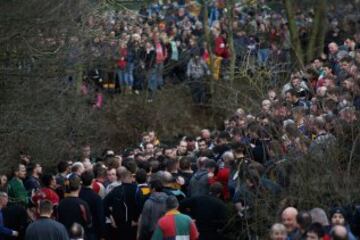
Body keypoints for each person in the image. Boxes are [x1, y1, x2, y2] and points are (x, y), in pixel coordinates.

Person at [103, 167, 139, 240]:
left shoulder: (115, 190)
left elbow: (104, 204)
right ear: (131, 177)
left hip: (118, 225)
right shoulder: (137, 190)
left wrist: (111, 217)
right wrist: (137, 220)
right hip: (133, 224)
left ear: (121, 179)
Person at [79, 171, 105, 240]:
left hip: (79, 229)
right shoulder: (96, 197)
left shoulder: (78, 194)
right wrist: (103, 234)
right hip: (93, 231)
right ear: (93, 181)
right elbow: (100, 216)